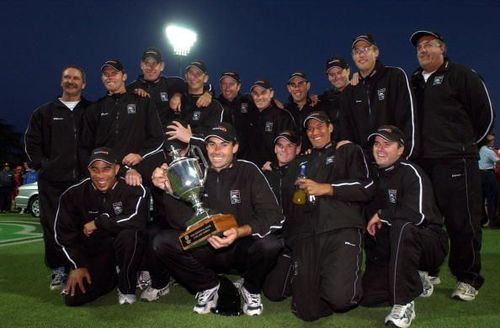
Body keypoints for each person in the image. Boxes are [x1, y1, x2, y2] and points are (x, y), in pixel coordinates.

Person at [150, 122, 284, 316]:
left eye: (224, 144)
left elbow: (274, 215)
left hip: (240, 247)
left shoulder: (248, 170)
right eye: (212, 144)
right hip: (205, 248)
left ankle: (250, 289)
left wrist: (240, 231)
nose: (217, 150)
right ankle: (209, 285)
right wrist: (170, 191)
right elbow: (178, 222)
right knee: (162, 242)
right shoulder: (194, 170)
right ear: (205, 148)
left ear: (235, 147)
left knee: (271, 245)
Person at [409, 30, 494, 301]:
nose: (423, 50)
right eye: (419, 47)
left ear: (442, 49)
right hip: (423, 164)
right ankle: (428, 269)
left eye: (429, 45)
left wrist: (465, 146)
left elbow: (485, 115)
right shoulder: (413, 81)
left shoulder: (461, 74)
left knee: (462, 222)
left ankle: (468, 277)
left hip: (456, 161)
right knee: (427, 223)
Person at [280, 111, 374, 321]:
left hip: (340, 228)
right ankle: (322, 280)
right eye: (310, 129)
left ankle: (345, 279)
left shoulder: (347, 150)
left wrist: (327, 188)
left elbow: (366, 187)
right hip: (307, 234)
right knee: (307, 312)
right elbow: (287, 200)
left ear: (331, 127)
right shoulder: (299, 162)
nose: (315, 132)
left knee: (341, 299)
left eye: (320, 126)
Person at [362, 125, 448, 328]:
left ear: (401, 150)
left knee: (403, 226)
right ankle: (415, 280)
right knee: (367, 297)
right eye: (376, 143)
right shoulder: (373, 175)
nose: (380, 148)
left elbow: (418, 216)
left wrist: (383, 214)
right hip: (394, 248)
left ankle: (404, 302)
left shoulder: (411, 173)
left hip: (429, 244)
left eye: (387, 144)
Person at [25, 65, 92, 289]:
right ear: (61, 81)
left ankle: (83, 265)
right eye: (67, 77)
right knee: (53, 226)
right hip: (53, 182)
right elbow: (32, 145)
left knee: (85, 224)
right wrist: (45, 166)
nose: (71, 81)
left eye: (76, 78)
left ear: (83, 84)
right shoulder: (43, 112)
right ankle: (58, 268)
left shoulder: (92, 110)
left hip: (84, 181)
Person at [54, 147, 148, 306]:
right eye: (95, 170)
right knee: (73, 299)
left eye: (106, 169)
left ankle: (126, 285)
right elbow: (63, 235)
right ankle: (111, 277)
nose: (100, 175)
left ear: (117, 168)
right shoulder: (73, 194)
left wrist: (99, 222)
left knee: (129, 235)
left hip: (123, 246)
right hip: (95, 253)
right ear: (88, 170)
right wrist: (77, 265)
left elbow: (137, 220)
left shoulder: (132, 188)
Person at [80, 59, 164, 187]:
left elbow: (157, 138)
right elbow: (86, 146)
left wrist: (140, 155)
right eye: (106, 74)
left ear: (124, 76)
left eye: (114, 73)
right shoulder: (95, 108)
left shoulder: (142, 101)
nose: (109, 77)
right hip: (107, 175)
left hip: (138, 173)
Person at [338, 33, 416, 159]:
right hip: (366, 166)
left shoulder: (395, 77)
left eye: (366, 49)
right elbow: (347, 134)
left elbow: (408, 119)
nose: (361, 54)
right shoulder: (349, 92)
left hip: (395, 161)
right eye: (357, 51)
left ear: (376, 52)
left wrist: (405, 156)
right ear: (353, 57)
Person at [127, 47, 212, 130]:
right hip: (138, 138)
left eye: (155, 63)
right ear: (141, 65)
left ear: (162, 66)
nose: (151, 67)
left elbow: (196, 86)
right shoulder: (130, 89)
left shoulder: (172, 83)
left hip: (164, 137)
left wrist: (208, 93)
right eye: (147, 63)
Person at [165, 61, 224, 146]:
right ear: (186, 76)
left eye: (199, 73)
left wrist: (190, 138)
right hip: (170, 152)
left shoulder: (214, 106)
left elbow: (212, 138)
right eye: (191, 73)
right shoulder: (175, 99)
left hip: (199, 155)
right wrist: (177, 94)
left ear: (205, 78)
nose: (194, 76)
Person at [246, 79, 295, 167]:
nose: (259, 97)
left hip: (273, 170)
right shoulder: (249, 115)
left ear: (271, 93)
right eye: (255, 94)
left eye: (263, 93)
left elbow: (290, 146)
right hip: (251, 171)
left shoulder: (283, 116)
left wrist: (274, 164)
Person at [218, 71, 254, 160]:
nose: (227, 87)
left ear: (238, 86)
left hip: (246, 157)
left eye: (231, 84)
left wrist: (273, 102)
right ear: (220, 86)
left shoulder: (248, 102)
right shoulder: (215, 104)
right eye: (224, 84)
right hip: (223, 155)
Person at [262, 130, 301, 207]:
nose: (284, 150)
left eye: (289, 146)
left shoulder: (304, 173)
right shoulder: (265, 175)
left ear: (297, 149)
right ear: (275, 149)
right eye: (280, 145)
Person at [284, 72, 316, 152]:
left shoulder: (318, 107)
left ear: (308, 86)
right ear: (289, 88)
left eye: (300, 83)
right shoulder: (284, 111)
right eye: (293, 85)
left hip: (314, 157)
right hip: (291, 160)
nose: (297, 88)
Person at [318, 56, 351, 126]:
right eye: (332, 74)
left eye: (339, 72)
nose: (336, 77)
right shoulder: (325, 100)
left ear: (348, 71)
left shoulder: (361, 92)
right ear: (328, 77)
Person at [479, 134, 500, 228]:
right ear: (489, 141)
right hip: (488, 175)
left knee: (481, 199)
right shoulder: (489, 151)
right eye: (492, 140)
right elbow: (498, 162)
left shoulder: (480, 149)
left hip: (479, 175)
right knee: (492, 198)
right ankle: (492, 222)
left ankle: (482, 221)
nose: (493, 141)